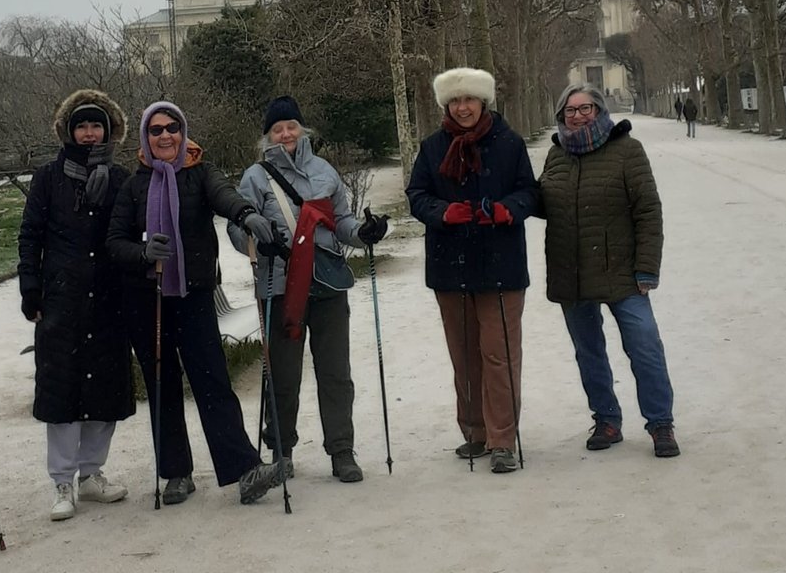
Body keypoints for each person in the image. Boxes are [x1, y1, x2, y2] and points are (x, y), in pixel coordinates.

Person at [106, 101, 286, 506]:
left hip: (193, 294)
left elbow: (225, 196)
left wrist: (246, 215)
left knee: (212, 382)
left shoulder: (200, 172)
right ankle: (176, 474)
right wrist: (142, 251)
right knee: (162, 386)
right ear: (145, 137)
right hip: (146, 299)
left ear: (182, 131)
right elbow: (114, 241)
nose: (165, 135)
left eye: (172, 127)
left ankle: (244, 470)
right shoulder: (133, 185)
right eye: (156, 130)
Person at [230, 96, 389, 483]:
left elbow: (343, 223)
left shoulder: (324, 171)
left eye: (291, 126)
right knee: (282, 375)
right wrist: (255, 238)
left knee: (336, 371)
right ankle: (281, 450)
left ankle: (342, 450)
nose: (285, 133)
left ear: (303, 130)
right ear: (267, 135)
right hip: (280, 284)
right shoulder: (255, 176)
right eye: (276, 129)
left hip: (328, 282)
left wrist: (365, 235)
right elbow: (237, 227)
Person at [406, 68, 538, 474]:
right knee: (464, 356)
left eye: (470, 100)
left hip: (501, 264)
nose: (463, 108)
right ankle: (474, 431)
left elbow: (529, 192)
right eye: (455, 101)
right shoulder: (432, 147)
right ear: (447, 105)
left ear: (484, 102)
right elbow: (416, 194)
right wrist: (442, 212)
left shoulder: (510, 143)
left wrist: (506, 210)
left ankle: (502, 438)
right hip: (451, 264)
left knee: (499, 355)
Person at [537, 83, 679, 458]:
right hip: (573, 273)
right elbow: (542, 201)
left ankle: (660, 423)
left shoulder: (627, 150)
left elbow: (648, 211)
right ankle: (606, 419)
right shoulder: (556, 154)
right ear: (561, 116)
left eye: (585, 108)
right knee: (589, 352)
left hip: (624, 274)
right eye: (570, 110)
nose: (577, 115)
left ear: (599, 110)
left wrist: (647, 268)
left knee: (645, 348)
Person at [17, 90, 136, 521]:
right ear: (69, 130)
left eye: (96, 125)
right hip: (62, 298)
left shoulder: (121, 178)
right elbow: (31, 235)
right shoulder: (48, 178)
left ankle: (91, 473)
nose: (89, 133)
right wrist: (31, 287)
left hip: (108, 297)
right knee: (62, 389)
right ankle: (62, 480)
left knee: (105, 390)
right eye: (82, 126)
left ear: (108, 130)